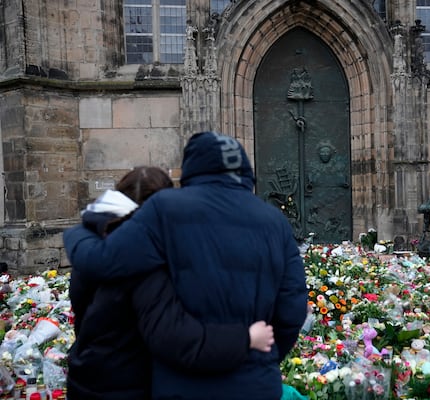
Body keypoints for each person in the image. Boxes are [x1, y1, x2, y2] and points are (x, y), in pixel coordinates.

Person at [63, 132, 308, 400]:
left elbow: (102, 261)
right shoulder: (275, 221)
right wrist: (260, 355)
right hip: (257, 382)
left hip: (181, 383)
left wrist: (79, 230)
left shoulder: (165, 208)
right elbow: (292, 310)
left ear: (192, 166)